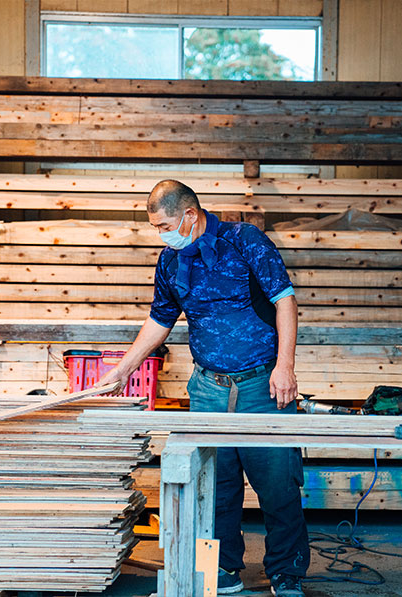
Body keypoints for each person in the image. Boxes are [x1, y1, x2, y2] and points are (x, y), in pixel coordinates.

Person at [96, 180, 309, 596]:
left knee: (279, 483)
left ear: (190, 216)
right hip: (208, 388)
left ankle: (286, 573)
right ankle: (222, 569)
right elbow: (160, 319)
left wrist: (285, 366)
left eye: (164, 225)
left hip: (262, 386)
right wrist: (123, 369)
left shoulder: (244, 241)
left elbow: (285, 299)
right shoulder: (171, 262)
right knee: (215, 487)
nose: (161, 233)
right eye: (156, 227)